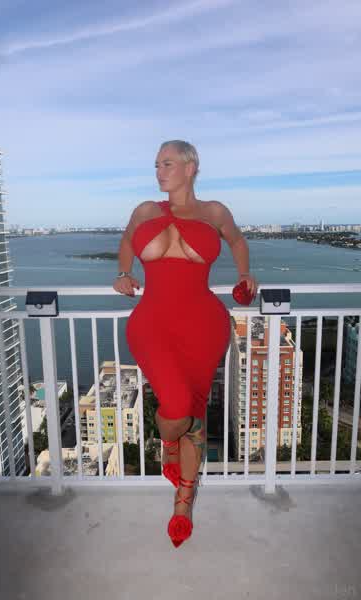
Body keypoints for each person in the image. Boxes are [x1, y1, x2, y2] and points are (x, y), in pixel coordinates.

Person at [113, 140, 258, 546]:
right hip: (151, 325)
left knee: (192, 405)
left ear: (190, 167)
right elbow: (126, 242)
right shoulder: (145, 211)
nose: (159, 172)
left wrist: (245, 275)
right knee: (178, 408)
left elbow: (238, 241)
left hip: (203, 326)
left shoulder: (215, 212)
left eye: (167, 163)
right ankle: (171, 444)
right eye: (157, 165)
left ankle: (183, 502)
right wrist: (123, 272)